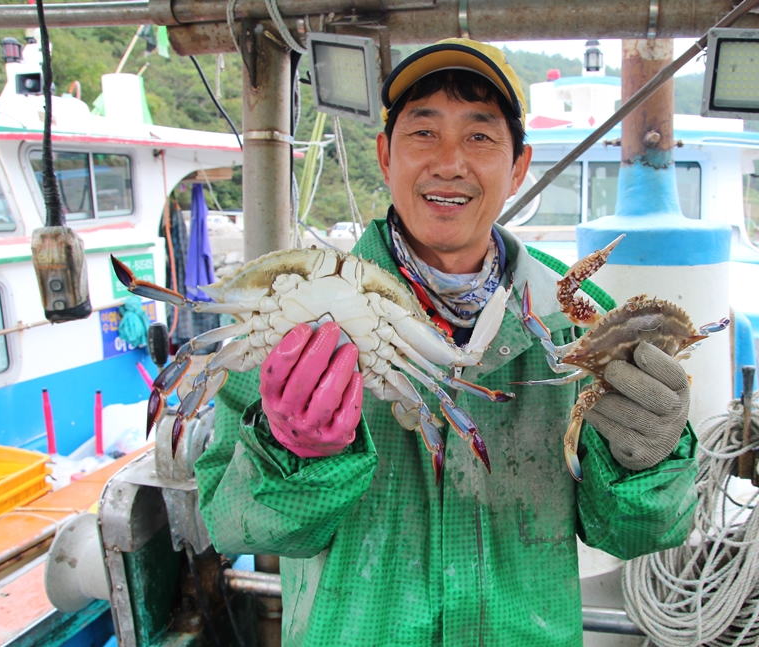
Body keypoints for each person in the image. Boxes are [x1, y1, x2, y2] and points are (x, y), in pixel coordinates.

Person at [196, 38, 698, 646]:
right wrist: (289, 455)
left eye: (481, 136)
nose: (450, 162)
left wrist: (647, 462)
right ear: (385, 156)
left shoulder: (575, 324)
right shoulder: (297, 320)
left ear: (518, 166)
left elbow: (633, 535)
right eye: (423, 133)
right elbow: (234, 525)